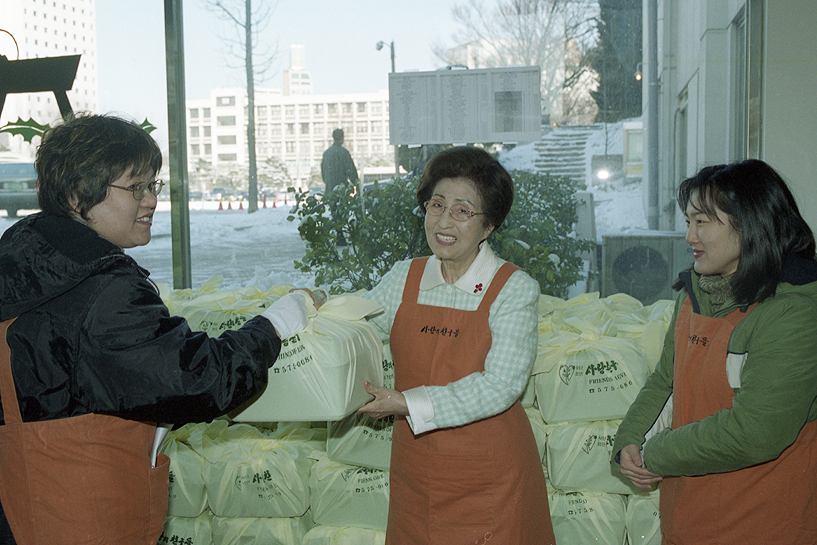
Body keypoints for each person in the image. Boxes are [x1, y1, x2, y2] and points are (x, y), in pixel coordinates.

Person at [0, 113, 309, 545]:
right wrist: (274, 324)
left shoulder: (24, 259)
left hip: (20, 504)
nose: (150, 201)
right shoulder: (101, 289)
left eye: (153, 185)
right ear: (76, 195)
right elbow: (198, 380)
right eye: (135, 188)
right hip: (85, 516)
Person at [356, 146, 556, 544]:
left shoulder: (512, 288)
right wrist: (322, 311)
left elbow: (501, 384)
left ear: (489, 226)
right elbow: (359, 329)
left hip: (489, 479)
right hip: (417, 472)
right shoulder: (404, 278)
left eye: (463, 211)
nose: (444, 221)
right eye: (437, 205)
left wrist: (407, 403)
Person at [611, 159, 817, 544]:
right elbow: (665, 383)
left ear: (751, 222)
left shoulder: (793, 312)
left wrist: (656, 453)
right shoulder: (696, 296)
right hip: (690, 518)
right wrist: (630, 441)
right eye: (688, 221)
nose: (690, 236)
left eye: (702, 222)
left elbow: (757, 432)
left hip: (763, 522)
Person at [320, 128, 358, 245]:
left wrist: (328, 183)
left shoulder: (327, 153)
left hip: (330, 188)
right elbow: (351, 170)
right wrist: (356, 183)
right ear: (342, 138)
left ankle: (338, 235)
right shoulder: (344, 152)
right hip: (342, 189)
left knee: (335, 212)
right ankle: (336, 235)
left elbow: (323, 171)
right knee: (341, 213)